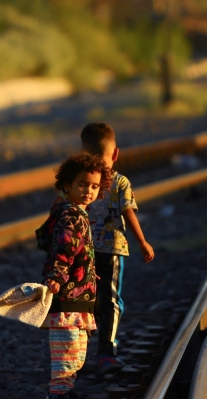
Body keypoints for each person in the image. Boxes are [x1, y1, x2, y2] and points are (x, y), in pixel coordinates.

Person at [78, 122, 155, 375]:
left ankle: (80, 354)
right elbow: (128, 213)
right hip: (111, 250)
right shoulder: (120, 181)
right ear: (116, 153)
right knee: (110, 300)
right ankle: (106, 355)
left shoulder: (81, 182)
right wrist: (142, 242)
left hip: (86, 251)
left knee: (88, 298)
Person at [37, 152, 112, 399]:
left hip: (79, 295)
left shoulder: (77, 212)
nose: (89, 191)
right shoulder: (71, 215)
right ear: (67, 184)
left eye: (94, 186)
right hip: (67, 297)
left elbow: (77, 252)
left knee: (76, 353)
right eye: (82, 184)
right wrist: (56, 277)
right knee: (67, 353)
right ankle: (59, 393)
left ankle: (65, 389)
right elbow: (64, 247)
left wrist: (89, 273)